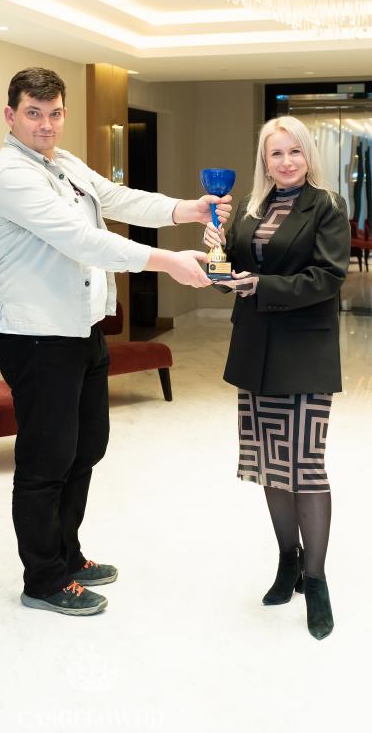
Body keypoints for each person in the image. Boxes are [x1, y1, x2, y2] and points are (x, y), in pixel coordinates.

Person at [0, 66, 231, 617]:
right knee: (46, 461)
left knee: (85, 448)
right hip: (38, 337)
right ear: (10, 115)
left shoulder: (62, 162)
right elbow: (81, 240)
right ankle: (43, 579)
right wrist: (167, 261)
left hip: (82, 330)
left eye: (54, 113)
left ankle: (67, 556)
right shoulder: (8, 174)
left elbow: (116, 198)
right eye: (33, 113)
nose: (46, 124)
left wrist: (185, 210)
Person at [204, 115, 350, 640]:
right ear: (264, 161)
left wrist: (259, 285)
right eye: (276, 153)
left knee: (305, 466)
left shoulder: (327, 206)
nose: (286, 161)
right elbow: (229, 277)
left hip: (305, 351)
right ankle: (288, 561)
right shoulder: (251, 207)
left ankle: (317, 579)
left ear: (308, 155)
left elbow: (328, 277)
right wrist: (217, 253)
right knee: (270, 465)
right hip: (256, 349)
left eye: (295, 151)